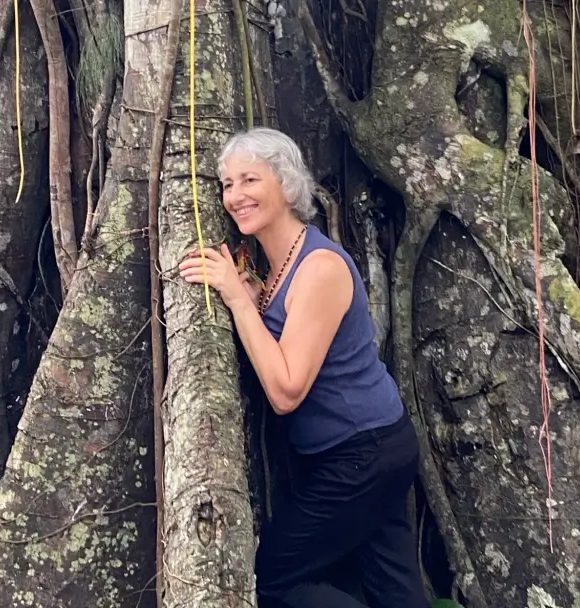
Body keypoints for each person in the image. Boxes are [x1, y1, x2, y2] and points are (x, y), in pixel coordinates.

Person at [178, 127, 430, 608]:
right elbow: (285, 334)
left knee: (274, 580)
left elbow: (287, 389)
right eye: (227, 184)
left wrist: (236, 298)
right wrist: (251, 296)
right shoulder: (276, 268)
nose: (235, 196)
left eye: (250, 179)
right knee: (395, 592)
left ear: (287, 183)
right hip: (365, 450)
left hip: (363, 453)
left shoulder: (320, 268)